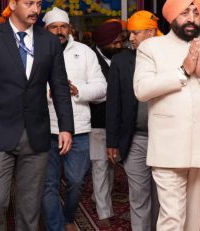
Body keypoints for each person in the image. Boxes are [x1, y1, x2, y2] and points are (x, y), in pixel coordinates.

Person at [0, 0, 74, 230]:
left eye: (39, 4)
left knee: (29, 207)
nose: (35, 10)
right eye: (28, 3)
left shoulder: (49, 41)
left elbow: (60, 87)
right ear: (12, 4)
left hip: (36, 133)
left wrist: (66, 127)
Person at [133, 1, 200, 230]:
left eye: (196, 12)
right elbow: (142, 90)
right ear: (172, 17)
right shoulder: (151, 47)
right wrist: (182, 71)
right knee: (172, 218)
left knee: (196, 220)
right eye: (184, 12)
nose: (192, 18)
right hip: (167, 147)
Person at [41, 7, 107, 231]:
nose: (59, 31)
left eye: (63, 26)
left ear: (69, 28)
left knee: (76, 181)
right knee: (47, 184)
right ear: (46, 29)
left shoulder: (85, 52)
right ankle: (56, 226)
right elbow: (23, 88)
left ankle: (68, 215)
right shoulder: (35, 50)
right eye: (54, 27)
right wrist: (46, 94)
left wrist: (77, 90)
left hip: (78, 129)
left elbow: (102, 89)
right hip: (44, 128)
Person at [105, 10, 161, 231]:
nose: (130, 38)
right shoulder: (121, 61)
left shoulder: (170, 58)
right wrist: (112, 141)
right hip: (135, 138)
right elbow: (113, 103)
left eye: (135, 33)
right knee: (138, 194)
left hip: (165, 139)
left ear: (150, 32)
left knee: (163, 196)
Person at [89, 20, 123, 227]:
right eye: (115, 42)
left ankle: (98, 197)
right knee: (100, 165)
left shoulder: (122, 57)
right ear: (103, 42)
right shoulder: (89, 58)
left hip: (118, 122)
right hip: (98, 121)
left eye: (121, 42)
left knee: (111, 164)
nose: (119, 46)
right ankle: (103, 212)